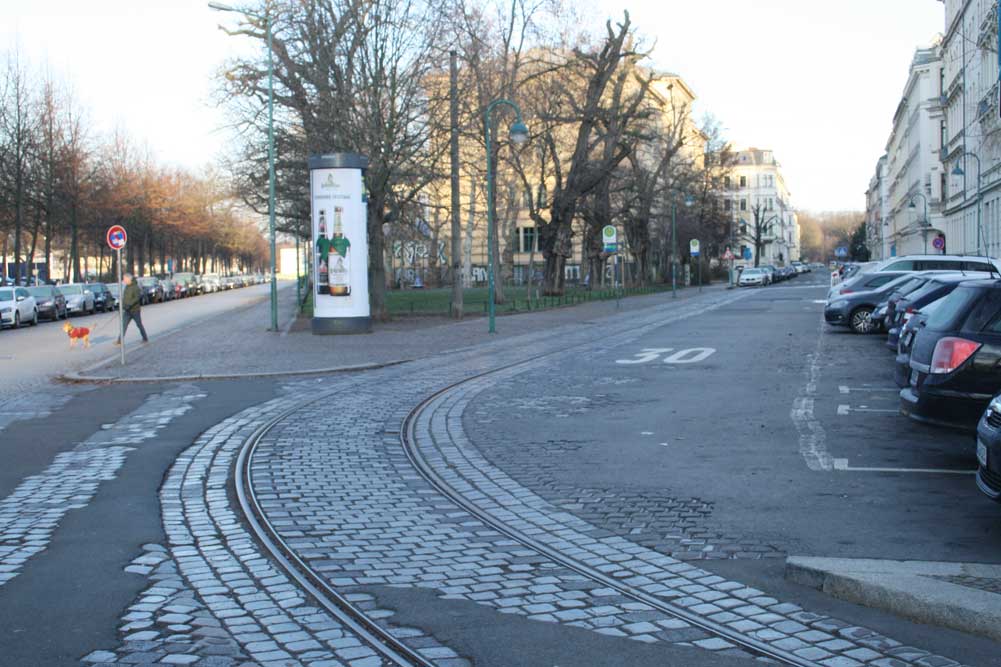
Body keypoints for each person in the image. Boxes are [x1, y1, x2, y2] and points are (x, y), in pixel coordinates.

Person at [116, 273, 148, 345]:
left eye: (124, 279)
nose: (123, 280)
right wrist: (123, 306)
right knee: (124, 325)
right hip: (127, 311)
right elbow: (125, 298)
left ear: (129, 279)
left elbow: (136, 298)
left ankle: (145, 337)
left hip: (135, 310)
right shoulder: (127, 287)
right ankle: (119, 341)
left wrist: (129, 305)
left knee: (139, 325)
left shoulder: (135, 287)